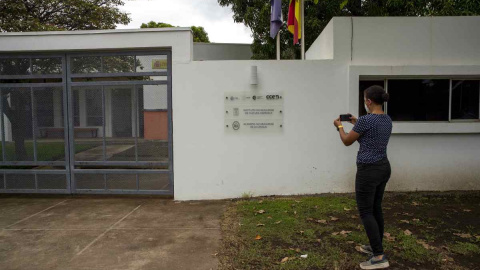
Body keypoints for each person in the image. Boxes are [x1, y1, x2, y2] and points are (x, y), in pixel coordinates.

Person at [333, 85, 392, 269]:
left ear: (368, 101)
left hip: (368, 170)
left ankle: (379, 257)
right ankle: (376, 247)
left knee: (366, 211)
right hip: (383, 167)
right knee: (376, 209)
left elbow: (347, 141)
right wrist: (355, 122)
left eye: (364, 99)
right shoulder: (386, 119)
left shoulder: (366, 121)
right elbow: (369, 135)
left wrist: (340, 126)